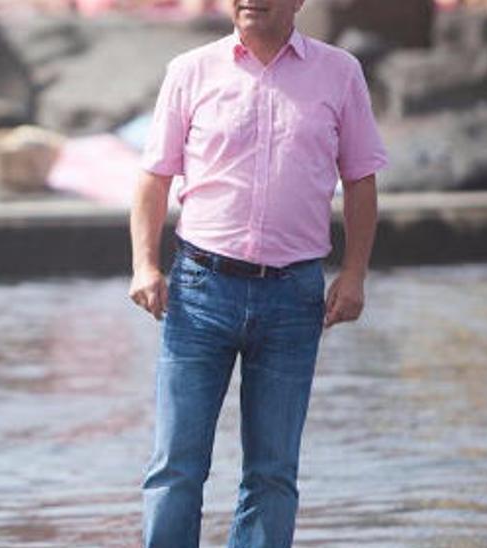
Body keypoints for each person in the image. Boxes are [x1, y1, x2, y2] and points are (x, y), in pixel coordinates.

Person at [127, 0, 387, 546]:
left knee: (272, 471)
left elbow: (361, 180)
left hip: (293, 295)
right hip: (200, 290)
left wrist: (355, 273)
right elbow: (154, 178)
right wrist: (146, 265)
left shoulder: (339, 73)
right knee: (176, 464)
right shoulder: (190, 70)